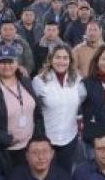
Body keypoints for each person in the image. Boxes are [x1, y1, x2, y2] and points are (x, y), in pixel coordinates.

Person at [0, 45, 45, 172]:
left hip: (28, 149)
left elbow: (37, 112)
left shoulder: (25, 82)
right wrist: (5, 138)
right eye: (2, 62)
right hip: (2, 152)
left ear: (17, 63)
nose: (7, 66)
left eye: (10, 61)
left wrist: (38, 137)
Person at [32, 44, 83, 172]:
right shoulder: (39, 81)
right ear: (51, 59)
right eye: (58, 57)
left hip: (70, 137)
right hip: (47, 139)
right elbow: (34, 111)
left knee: (65, 176)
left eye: (65, 58)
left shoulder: (77, 79)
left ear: (70, 61)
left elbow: (82, 102)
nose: (61, 61)